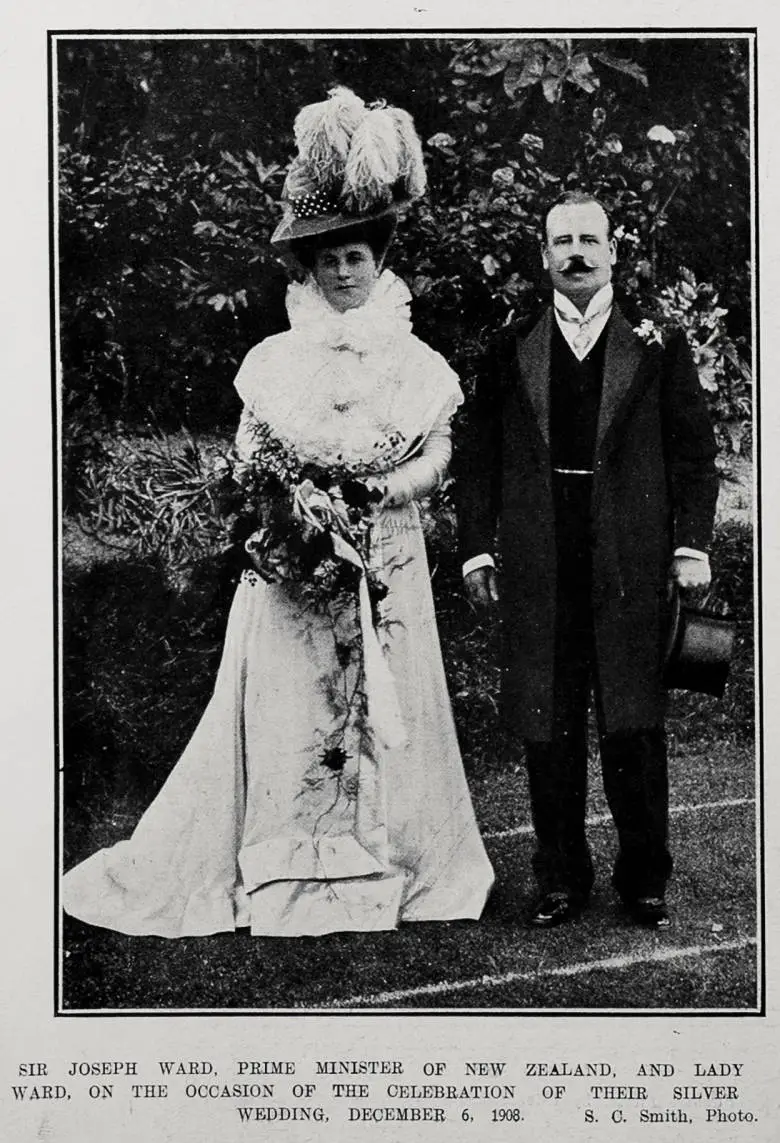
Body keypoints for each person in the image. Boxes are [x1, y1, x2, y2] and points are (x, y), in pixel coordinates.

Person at [63, 88, 493, 938]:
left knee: (389, 708)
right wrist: (291, 501)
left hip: (388, 558)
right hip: (296, 565)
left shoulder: (416, 363)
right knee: (293, 708)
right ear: (308, 268)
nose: (343, 271)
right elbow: (250, 451)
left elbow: (439, 456)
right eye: (328, 257)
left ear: (379, 264)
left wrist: (379, 493)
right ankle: (288, 868)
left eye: (357, 256)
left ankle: (391, 863)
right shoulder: (273, 362)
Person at [459, 190, 718, 930]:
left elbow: (694, 455)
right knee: (549, 726)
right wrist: (477, 546)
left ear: (612, 252)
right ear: (543, 256)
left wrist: (689, 543)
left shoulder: (659, 346)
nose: (576, 252)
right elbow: (478, 459)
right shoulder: (510, 347)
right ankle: (560, 878)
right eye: (562, 240)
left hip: (630, 566)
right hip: (542, 565)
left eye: (589, 240)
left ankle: (643, 880)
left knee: (633, 725)